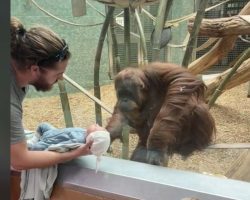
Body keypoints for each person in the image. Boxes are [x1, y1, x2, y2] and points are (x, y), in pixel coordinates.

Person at [10, 16, 93, 170]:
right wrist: (75, 153)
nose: (61, 78)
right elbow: (20, 161)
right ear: (35, 69)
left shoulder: (18, 76)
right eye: (58, 74)